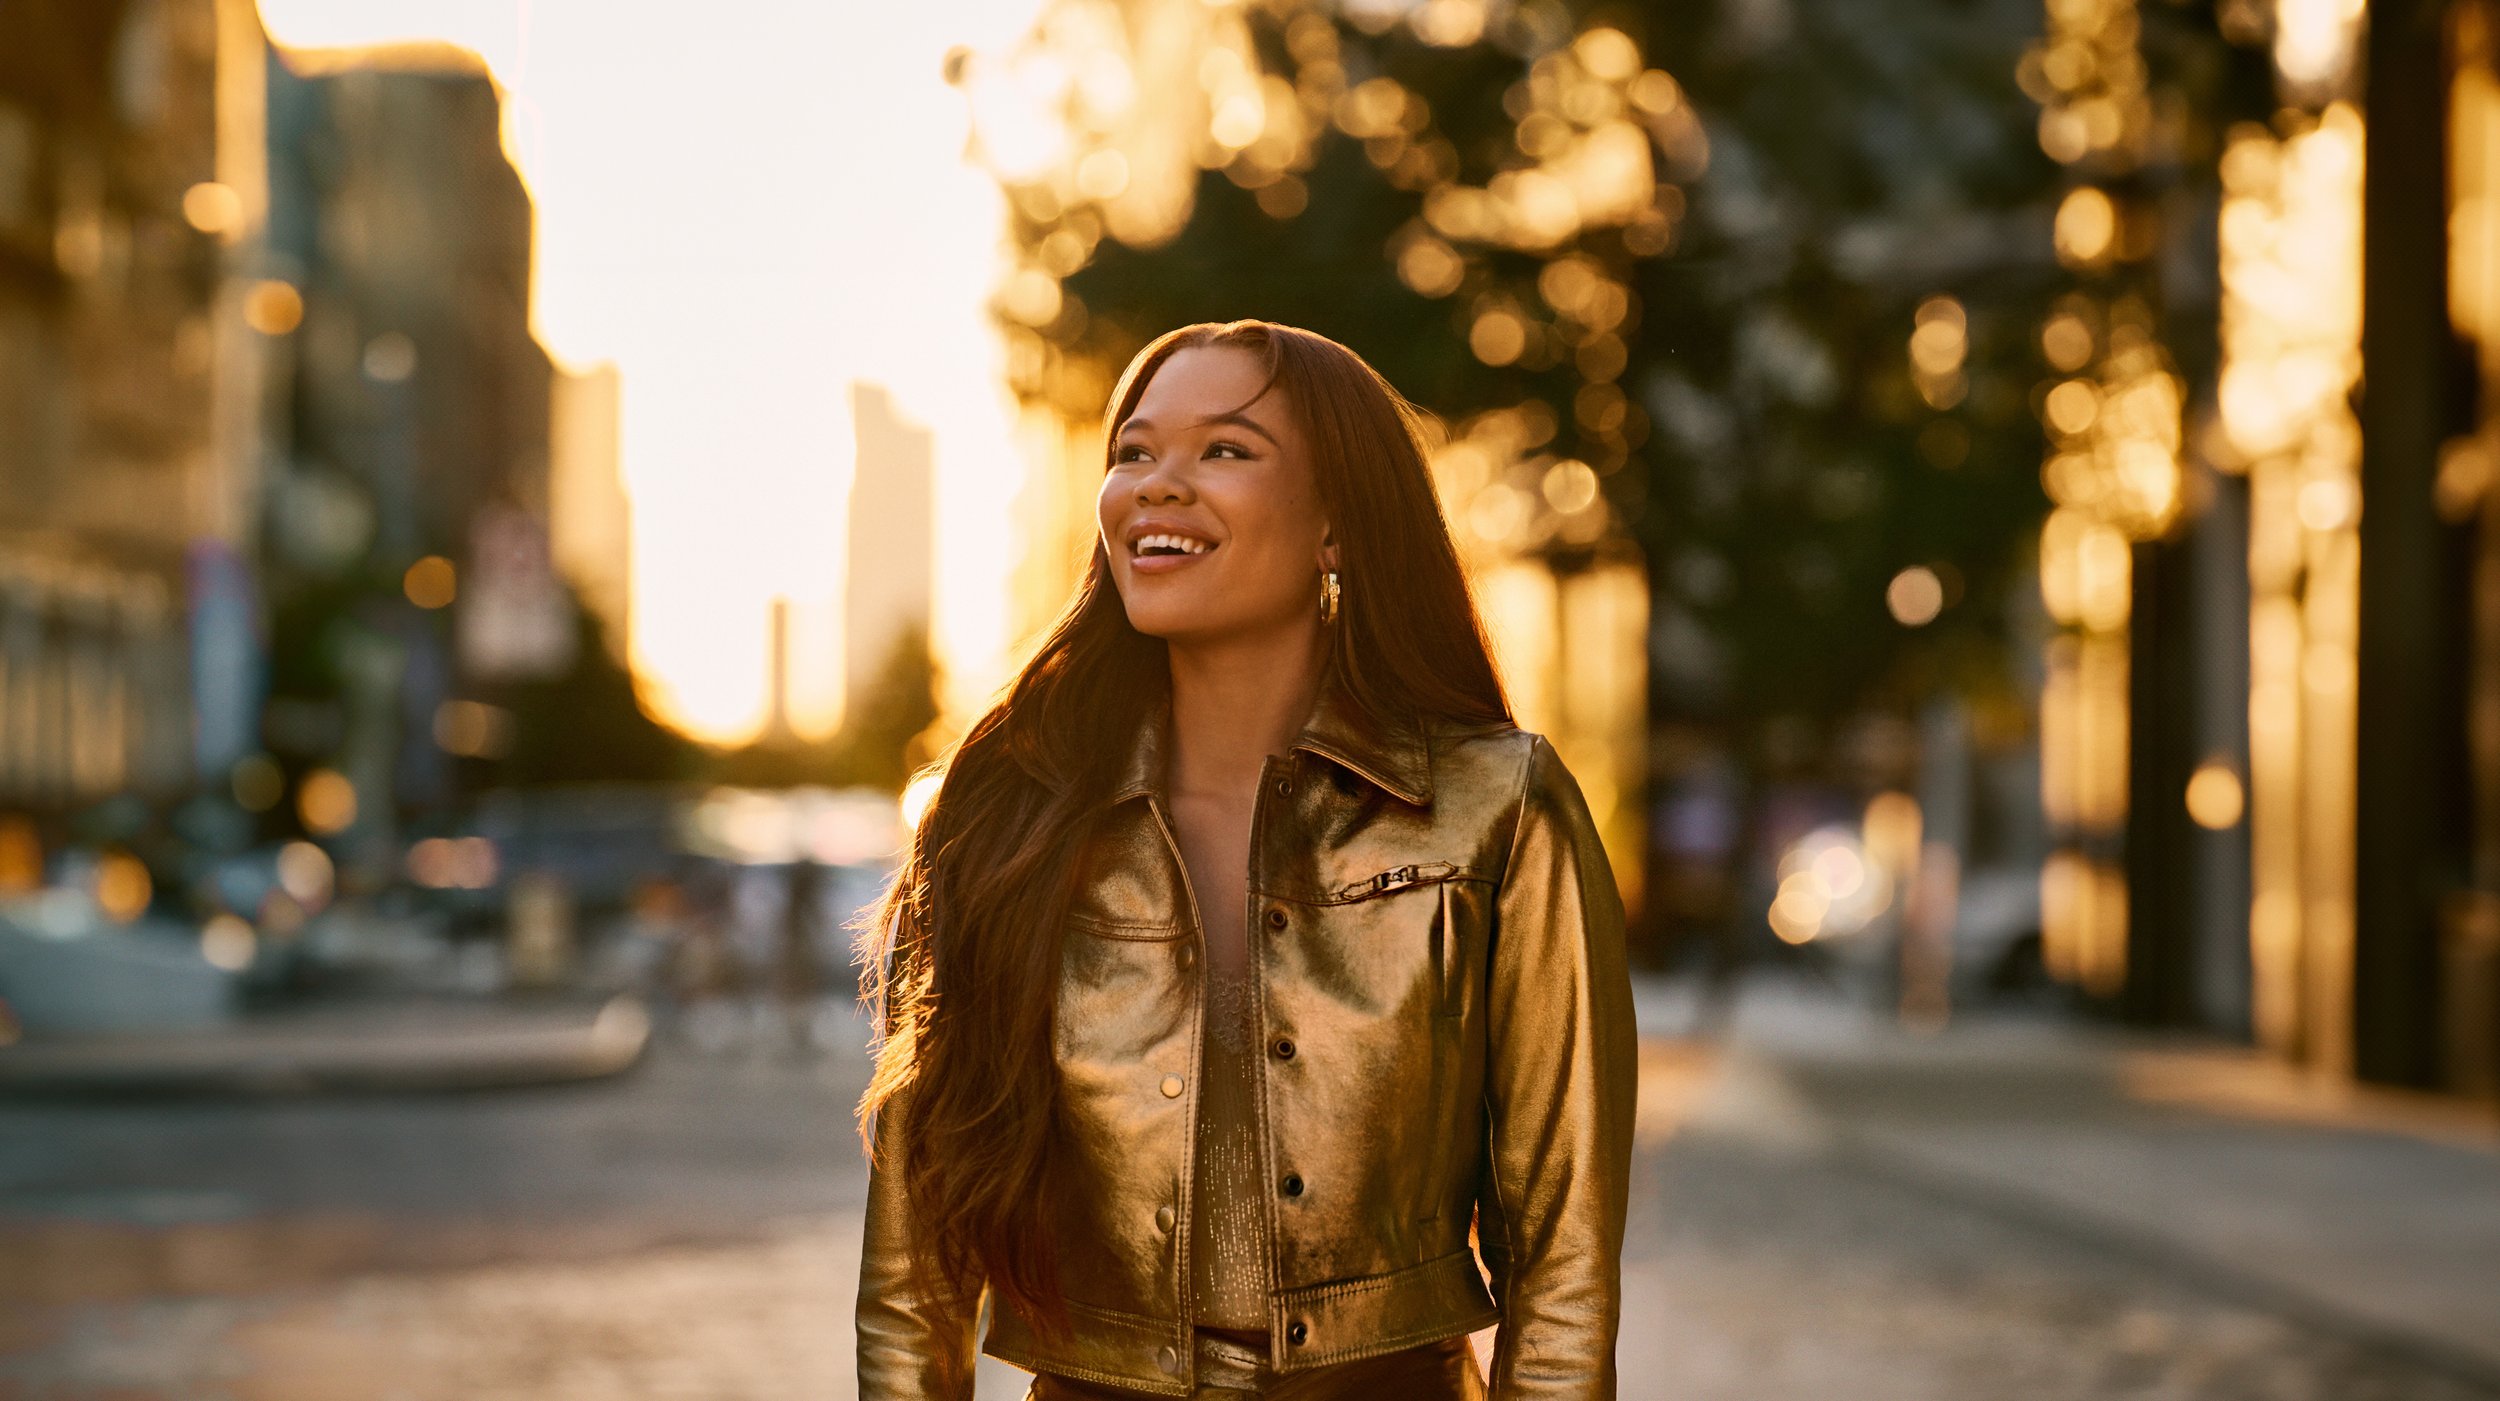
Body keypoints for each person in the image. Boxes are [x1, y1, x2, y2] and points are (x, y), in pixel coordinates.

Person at [854, 320, 1637, 1399]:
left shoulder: (1495, 809)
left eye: (1225, 450)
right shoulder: (1000, 816)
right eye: (1133, 452)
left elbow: (1563, 1260)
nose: (1158, 486)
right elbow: (915, 1274)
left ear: (1336, 525)